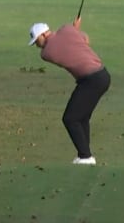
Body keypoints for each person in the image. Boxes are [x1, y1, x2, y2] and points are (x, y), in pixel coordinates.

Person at [28, 16, 111, 165]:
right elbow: (85, 41)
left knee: (70, 118)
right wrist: (74, 30)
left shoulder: (45, 54)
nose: (37, 46)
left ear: (43, 34)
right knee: (82, 118)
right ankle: (85, 155)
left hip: (91, 81)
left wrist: (74, 30)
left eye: (36, 41)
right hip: (102, 76)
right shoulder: (67, 29)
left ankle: (86, 157)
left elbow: (60, 46)